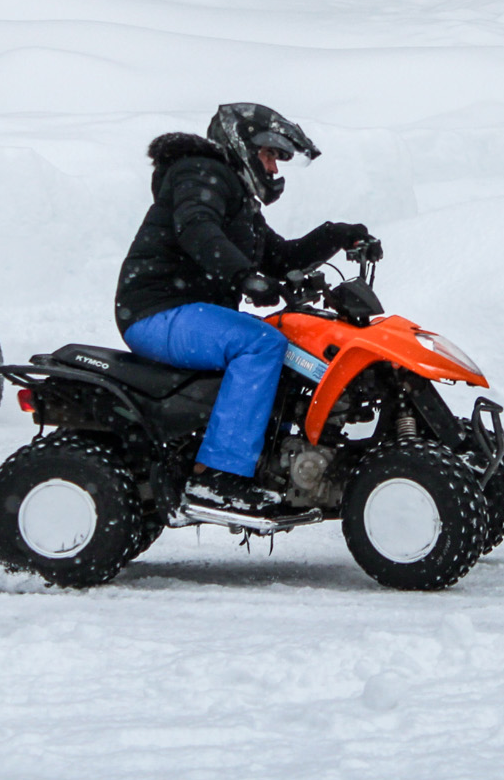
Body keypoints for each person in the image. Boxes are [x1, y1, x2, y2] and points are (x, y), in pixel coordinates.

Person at [114, 103, 371, 513]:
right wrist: (242, 277)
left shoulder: (238, 201)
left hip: (188, 312)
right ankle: (220, 476)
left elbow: (282, 257)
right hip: (156, 310)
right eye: (269, 155)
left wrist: (337, 235)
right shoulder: (200, 172)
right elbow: (197, 228)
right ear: (244, 146)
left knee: (283, 341)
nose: (272, 169)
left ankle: (272, 463)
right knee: (260, 344)